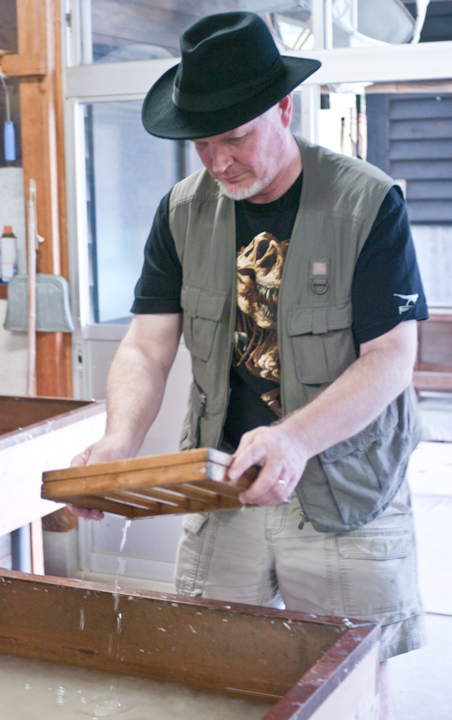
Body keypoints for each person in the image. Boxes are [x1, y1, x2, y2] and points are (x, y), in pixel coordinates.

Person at [72, 12, 428, 718]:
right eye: (201, 142)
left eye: (235, 136)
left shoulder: (365, 203)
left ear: (283, 110)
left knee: (348, 696)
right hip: (222, 484)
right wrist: (118, 444)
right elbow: (148, 344)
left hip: (344, 491)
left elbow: (391, 358)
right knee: (205, 683)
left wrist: (295, 438)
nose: (217, 161)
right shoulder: (181, 212)